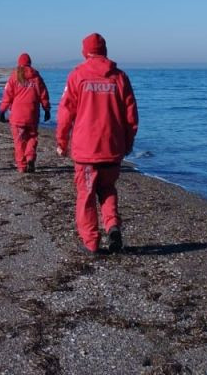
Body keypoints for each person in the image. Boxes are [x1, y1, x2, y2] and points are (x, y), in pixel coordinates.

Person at [55, 33, 138, 254]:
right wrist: (127, 143)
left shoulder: (77, 76)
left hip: (86, 151)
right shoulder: (119, 78)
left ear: (85, 51)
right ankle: (112, 226)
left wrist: (62, 142)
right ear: (104, 50)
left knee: (86, 194)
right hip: (111, 148)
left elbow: (65, 113)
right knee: (108, 188)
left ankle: (91, 241)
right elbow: (131, 116)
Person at [0, 53, 51, 173]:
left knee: (19, 141)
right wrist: (47, 109)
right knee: (32, 137)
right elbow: (44, 94)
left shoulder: (15, 76)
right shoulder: (36, 77)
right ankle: (30, 157)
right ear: (30, 63)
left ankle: (22, 166)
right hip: (32, 115)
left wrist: (2, 110)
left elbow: (7, 94)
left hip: (17, 116)